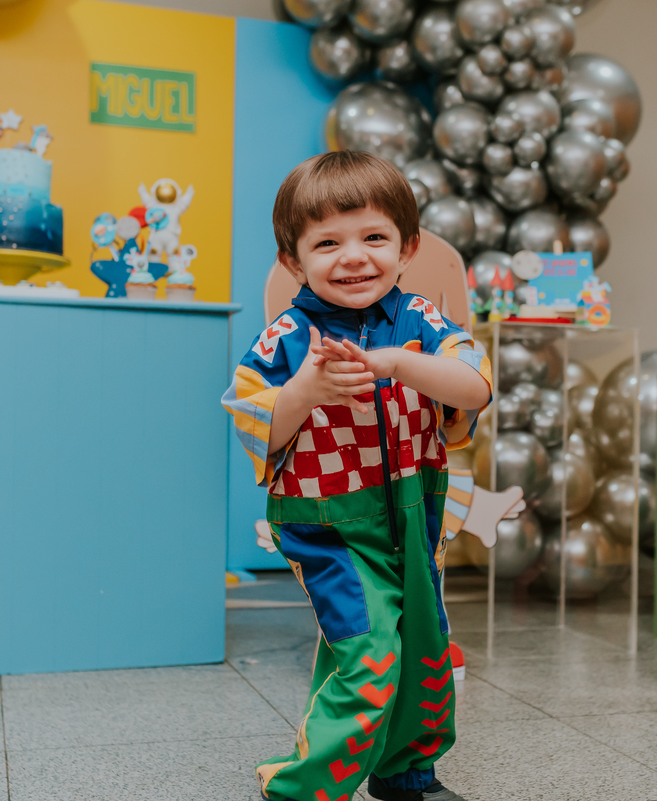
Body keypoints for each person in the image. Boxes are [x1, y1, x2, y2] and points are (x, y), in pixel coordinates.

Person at [222, 151, 492, 801]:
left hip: (410, 509)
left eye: (374, 237)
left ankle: (406, 772)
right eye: (327, 242)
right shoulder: (285, 338)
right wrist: (308, 388)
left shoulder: (422, 322)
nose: (354, 256)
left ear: (407, 248)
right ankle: (302, 787)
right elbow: (258, 422)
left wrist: (401, 363)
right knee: (370, 651)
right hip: (330, 527)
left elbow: (474, 387)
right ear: (294, 261)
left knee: (422, 644)